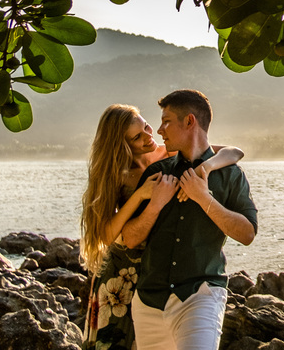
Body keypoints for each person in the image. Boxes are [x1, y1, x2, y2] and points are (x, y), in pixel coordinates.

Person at [79, 104, 244, 350]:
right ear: (121, 144)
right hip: (120, 275)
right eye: (137, 137)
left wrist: (205, 167)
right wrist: (141, 196)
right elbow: (105, 234)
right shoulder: (117, 173)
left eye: (146, 126)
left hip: (158, 270)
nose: (149, 136)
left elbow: (234, 152)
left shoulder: (168, 155)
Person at [121, 90, 258, 350]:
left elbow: (247, 234)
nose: (159, 130)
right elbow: (130, 238)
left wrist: (203, 198)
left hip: (201, 296)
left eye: (166, 121)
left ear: (189, 121)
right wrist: (156, 205)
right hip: (149, 301)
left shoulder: (230, 176)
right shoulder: (155, 174)